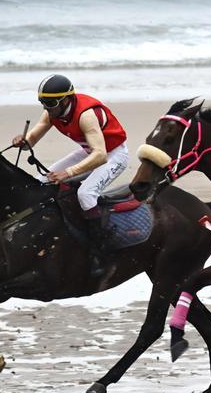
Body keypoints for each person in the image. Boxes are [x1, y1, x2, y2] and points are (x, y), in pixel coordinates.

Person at [12, 74, 129, 274]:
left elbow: (100, 156)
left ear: (66, 99)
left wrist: (68, 173)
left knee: (86, 194)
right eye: (43, 103)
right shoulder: (51, 112)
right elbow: (32, 139)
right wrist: (24, 142)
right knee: (42, 182)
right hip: (89, 151)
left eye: (50, 103)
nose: (46, 108)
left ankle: (100, 247)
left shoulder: (86, 115)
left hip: (113, 155)